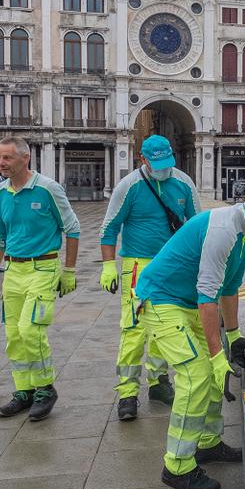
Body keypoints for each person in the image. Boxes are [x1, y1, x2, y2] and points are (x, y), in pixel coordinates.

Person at [134, 180, 245, 489]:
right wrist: (215, 355)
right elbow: (207, 296)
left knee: (211, 376)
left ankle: (207, 444)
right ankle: (177, 466)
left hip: (185, 302)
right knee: (196, 376)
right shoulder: (223, 230)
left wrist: (233, 337)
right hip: (160, 299)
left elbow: (230, 288)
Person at [0, 137, 81, 423]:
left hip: (43, 268)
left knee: (30, 330)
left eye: (7, 158)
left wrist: (70, 270)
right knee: (13, 334)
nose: (0, 163)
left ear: (25, 159)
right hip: (13, 272)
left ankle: (45, 389)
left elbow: (72, 228)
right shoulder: (0, 193)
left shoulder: (48, 189)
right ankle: (23, 390)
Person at [99, 135, 197, 422]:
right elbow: (109, 228)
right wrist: (108, 266)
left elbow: (195, 225)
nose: (163, 169)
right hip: (138, 266)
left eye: (167, 163)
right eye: (157, 164)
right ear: (142, 159)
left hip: (173, 266)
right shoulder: (129, 186)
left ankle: (159, 382)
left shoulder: (183, 183)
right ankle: (128, 392)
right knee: (134, 330)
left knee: (166, 326)